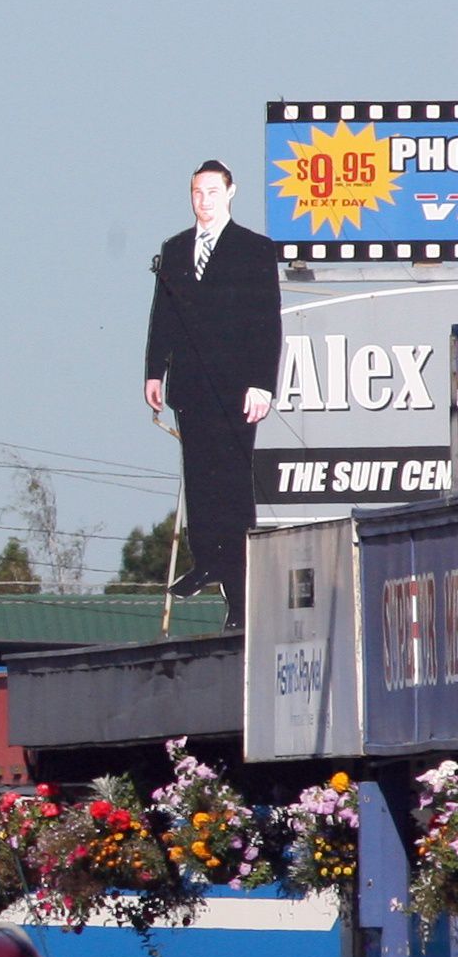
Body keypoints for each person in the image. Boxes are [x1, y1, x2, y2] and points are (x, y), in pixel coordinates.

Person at [143, 158, 282, 625]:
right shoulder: (176, 248)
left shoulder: (253, 250)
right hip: (191, 386)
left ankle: (241, 595)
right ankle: (206, 561)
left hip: (238, 389)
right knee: (199, 478)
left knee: (232, 486)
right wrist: (154, 372)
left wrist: (263, 383)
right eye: (197, 193)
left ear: (230, 193)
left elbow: (267, 323)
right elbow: (162, 315)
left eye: (212, 192)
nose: (204, 201)